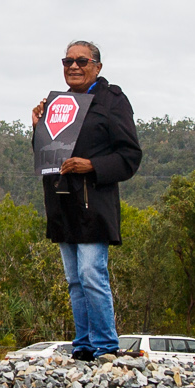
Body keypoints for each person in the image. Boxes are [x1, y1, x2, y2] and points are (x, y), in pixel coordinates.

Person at [31, 41, 143, 361]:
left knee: (93, 274)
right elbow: (47, 157)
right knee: (74, 280)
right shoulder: (58, 103)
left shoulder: (112, 101)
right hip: (62, 205)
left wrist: (92, 165)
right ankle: (83, 346)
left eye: (82, 61)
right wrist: (38, 128)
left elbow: (130, 156)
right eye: (68, 61)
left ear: (97, 66)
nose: (74, 67)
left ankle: (106, 346)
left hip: (94, 204)